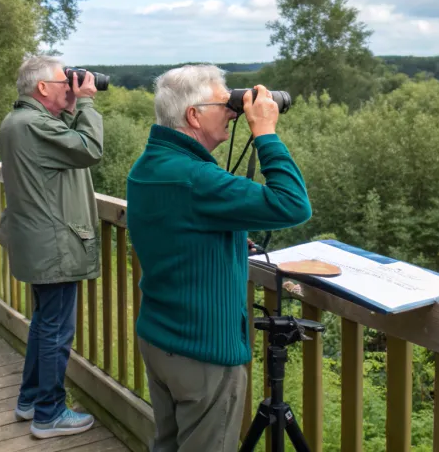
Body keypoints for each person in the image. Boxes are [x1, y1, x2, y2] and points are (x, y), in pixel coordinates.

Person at [126, 65, 312, 452]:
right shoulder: (195, 178)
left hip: (161, 338)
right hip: (203, 352)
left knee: (168, 444)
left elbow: (176, 228)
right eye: (223, 102)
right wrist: (265, 133)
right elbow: (293, 204)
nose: (232, 110)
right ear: (193, 115)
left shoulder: (151, 164)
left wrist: (225, 239)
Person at [0, 55, 103, 439]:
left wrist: (71, 108)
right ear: (42, 88)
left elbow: (66, 148)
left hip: (37, 241)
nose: (71, 86)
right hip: (53, 245)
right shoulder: (34, 124)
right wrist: (87, 102)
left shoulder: (19, 121)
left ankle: (30, 400)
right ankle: (49, 414)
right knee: (56, 330)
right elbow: (89, 149)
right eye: (64, 82)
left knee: (44, 325)